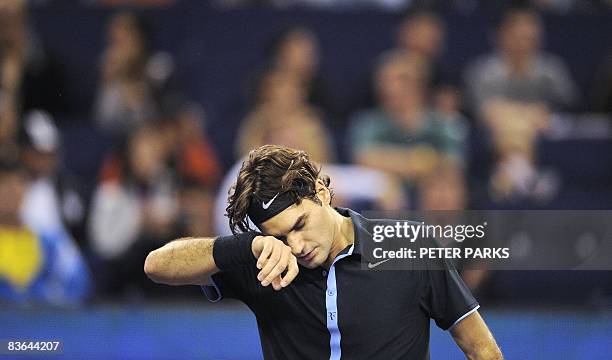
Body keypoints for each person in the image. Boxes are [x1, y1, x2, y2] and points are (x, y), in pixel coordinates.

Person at [145, 145, 503, 359]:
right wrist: (246, 245)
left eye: (299, 224)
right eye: (280, 236)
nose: (295, 247)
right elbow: (157, 265)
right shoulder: (264, 262)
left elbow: (481, 349)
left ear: (321, 192)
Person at [0, 156, 90, 304]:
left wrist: (40, 295)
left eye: (15, 184)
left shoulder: (50, 239)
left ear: (25, 188)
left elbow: (78, 283)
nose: (9, 193)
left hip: (43, 322)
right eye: (3, 185)